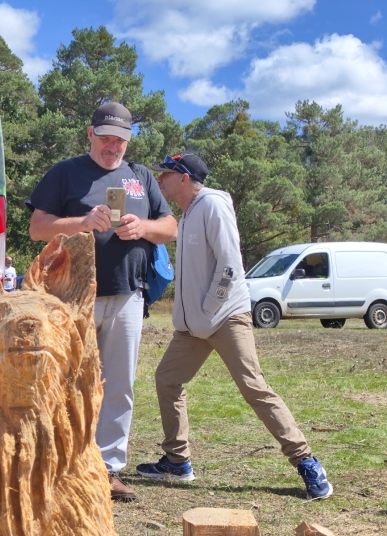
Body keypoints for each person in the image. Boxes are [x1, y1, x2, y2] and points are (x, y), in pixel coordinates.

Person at [136, 152, 333, 500]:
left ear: (184, 177)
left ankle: (306, 462)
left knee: (254, 388)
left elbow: (230, 265)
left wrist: (210, 306)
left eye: (165, 174)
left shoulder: (212, 204)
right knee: (167, 378)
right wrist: (195, 315)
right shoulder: (188, 212)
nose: (160, 180)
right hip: (194, 326)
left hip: (226, 317)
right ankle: (177, 460)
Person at [27, 102, 178, 501]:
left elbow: (170, 227)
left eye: (121, 140)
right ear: (90, 134)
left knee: (119, 385)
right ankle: (58, 464)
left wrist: (143, 226)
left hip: (128, 294)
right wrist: (82, 223)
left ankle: (106, 469)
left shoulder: (141, 176)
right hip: (73, 296)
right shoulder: (65, 172)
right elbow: (37, 226)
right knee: (67, 380)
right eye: (106, 137)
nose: (113, 146)